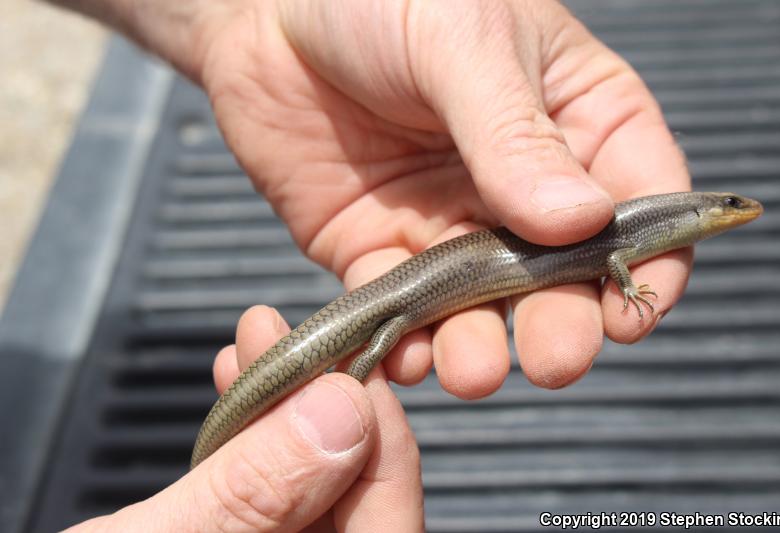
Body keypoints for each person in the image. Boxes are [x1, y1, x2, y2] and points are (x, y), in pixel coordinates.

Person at [58, 0, 692, 530]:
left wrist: (252, 20)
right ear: (689, 217)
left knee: (409, 343)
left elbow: (611, 256)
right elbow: (611, 258)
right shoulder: (621, 244)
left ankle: (346, 379)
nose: (732, 213)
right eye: (722, 208)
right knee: (380, 348)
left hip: (406, 292)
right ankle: (347, 384)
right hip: (398, 303)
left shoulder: (623, 241)